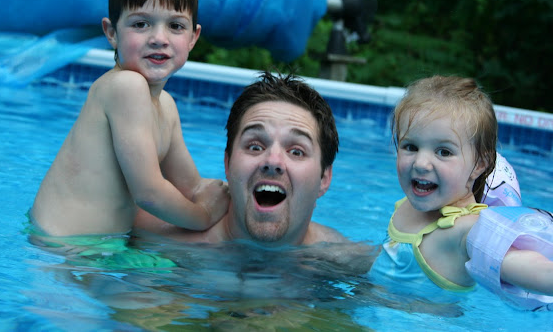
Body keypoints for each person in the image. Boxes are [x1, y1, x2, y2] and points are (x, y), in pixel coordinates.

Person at [30, 0, 229, 237]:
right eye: (141, 24)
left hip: (99, 247)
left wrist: (236, 194)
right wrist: (203, 216)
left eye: (175, 26)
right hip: (64, 246)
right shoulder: (125, 87)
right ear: (112, 32)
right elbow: (149, 194)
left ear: (193, 38)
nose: (159, 38)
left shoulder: (167, 106)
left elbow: (192, 187)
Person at [135, 71, 373, 257]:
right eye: (255, 147)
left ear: (324, 179)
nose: (272, 161)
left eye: (296, 151)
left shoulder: (345, 261)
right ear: (227, 163)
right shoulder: (155, 236)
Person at [369, 75, 553, 300]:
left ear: (480, 164)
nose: (421, 163)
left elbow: (526, 266)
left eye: (444, 152)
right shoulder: (415, 202)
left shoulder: (466, 231)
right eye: (411, 146)